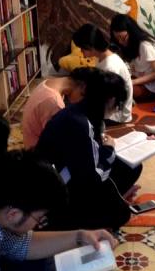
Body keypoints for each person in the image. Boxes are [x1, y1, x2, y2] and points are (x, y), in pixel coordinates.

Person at [35, 68, 141, 231]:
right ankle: (72, 221)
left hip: (71, 175)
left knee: (132, 167)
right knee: (121, 214)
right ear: (111, 100)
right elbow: (92, 178)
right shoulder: (80, 123)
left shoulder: (80, 111)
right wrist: (109, 150)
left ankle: (110, 200)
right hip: (60, 192)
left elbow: (89, 159)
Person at [73, 23, 133, 123]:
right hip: (108, 109)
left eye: (82, 49)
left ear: (90, 47)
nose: (82, 53)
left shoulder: (110, 66)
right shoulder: (102, 58)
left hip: (115, 116)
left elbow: (107, 101)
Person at [22, 68, 94, 149]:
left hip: (31, 143)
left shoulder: (48, 83)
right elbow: (60, 141)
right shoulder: (54, 103)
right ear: (83, 88)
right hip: (37, 152)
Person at [110, 14, 155, 102]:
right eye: (117, 39)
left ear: (131, 31)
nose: (120, 42)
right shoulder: (131, 45)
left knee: (120, 90)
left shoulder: (146, 45)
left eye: (123, 38)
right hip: (139, 80)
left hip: (153, 88)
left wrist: (133, 82)